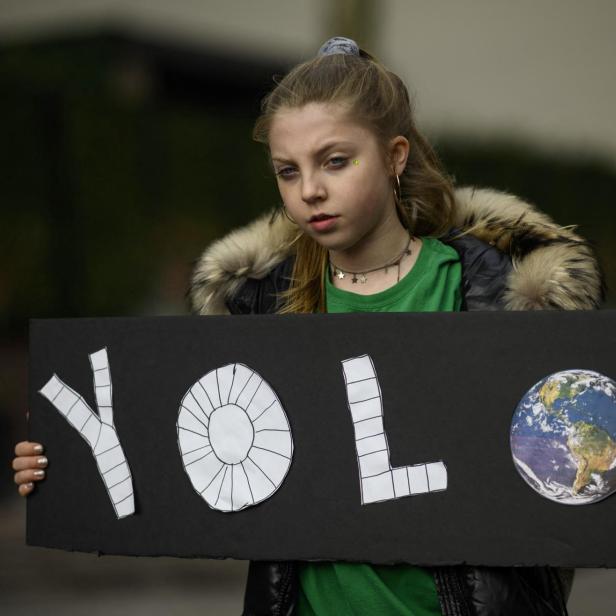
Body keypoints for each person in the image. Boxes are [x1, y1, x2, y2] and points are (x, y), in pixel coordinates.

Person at [13, 37, 602, 615]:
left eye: (335, 161)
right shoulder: (260, 305)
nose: (310, 191)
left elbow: (567, 464)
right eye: (287, 172)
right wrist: (63, 464)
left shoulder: (495, 291)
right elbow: (160, 444)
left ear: (396, 157)